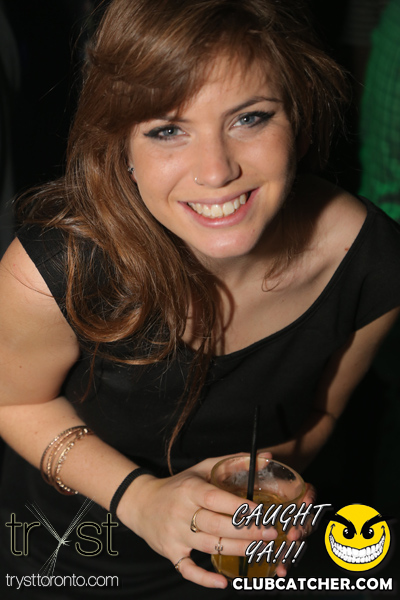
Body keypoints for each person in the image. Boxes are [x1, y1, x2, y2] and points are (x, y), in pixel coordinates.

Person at [1, 0, 400, 597]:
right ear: (121, 147)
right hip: (73, 551)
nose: (215, 172)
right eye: (168, 130)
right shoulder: (57, 266)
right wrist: (140, 498)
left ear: (298, 119)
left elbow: (323, 414)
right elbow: (13, 402)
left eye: (250, 119)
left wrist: (249, 489)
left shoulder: (373, 261)